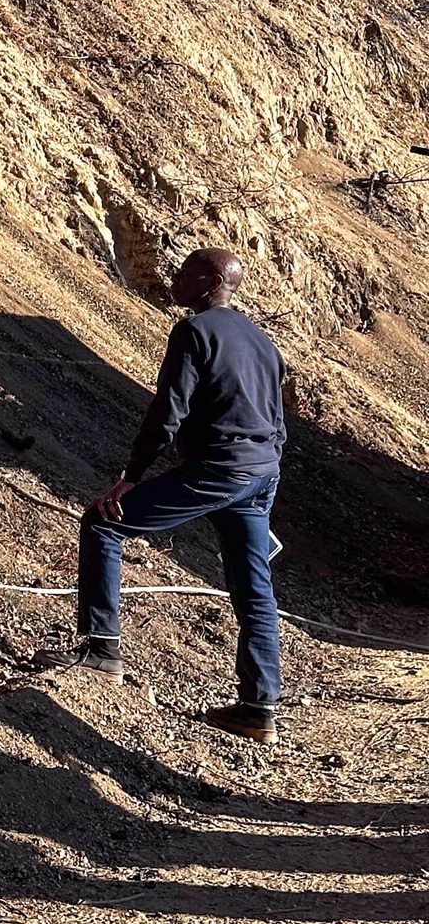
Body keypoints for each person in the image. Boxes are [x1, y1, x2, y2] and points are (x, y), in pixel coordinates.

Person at [34, 247, 288, 744]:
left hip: (219, 469)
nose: (175, 278)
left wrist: (132, 475)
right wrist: (263, 483)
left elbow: (168, 411)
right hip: (261, 472)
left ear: (212, 281)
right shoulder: (262, 340)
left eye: (186, 272)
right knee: (254, 587)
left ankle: (102, 649)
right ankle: (258, 708)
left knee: (104, 523)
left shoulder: (194, 332)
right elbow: (278, 423)